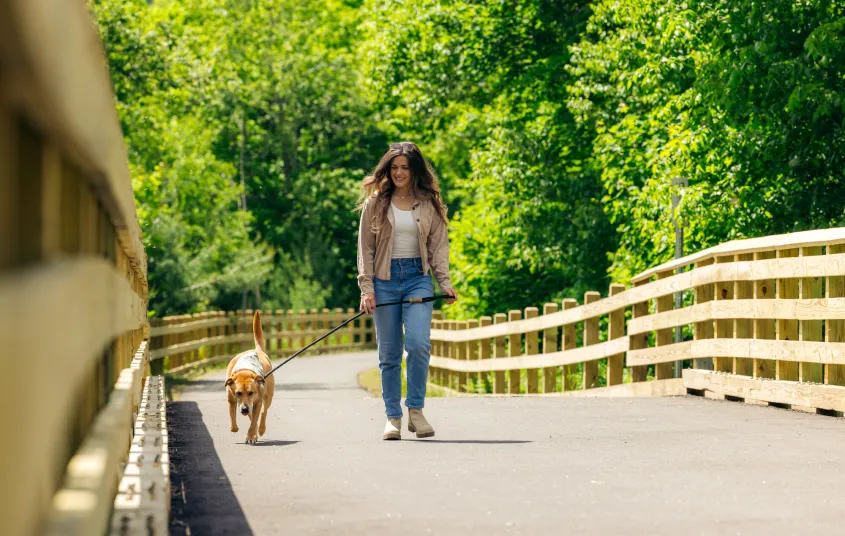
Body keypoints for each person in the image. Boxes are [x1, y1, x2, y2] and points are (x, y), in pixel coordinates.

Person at [357, 141, 458, 440]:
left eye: (405, 167)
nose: (399, 173)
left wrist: (446, 283)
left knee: (417, 344)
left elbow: (439, 248)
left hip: (417, 278)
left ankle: (416, 410)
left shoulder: (430, 203)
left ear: (415, 170)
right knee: (388, 354)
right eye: (394, 167)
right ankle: (393, 417)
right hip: (384, 281)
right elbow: (365, 249)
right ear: (388, 170)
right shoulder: (375, 203)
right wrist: (367, 288)